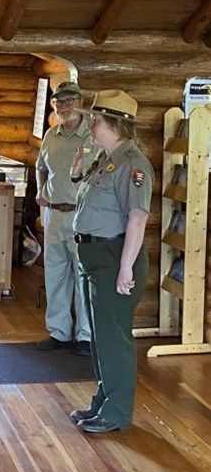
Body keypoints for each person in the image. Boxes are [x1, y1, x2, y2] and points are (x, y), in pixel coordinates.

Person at [69, 89, 153, 433]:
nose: (91, 125)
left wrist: (124, 268)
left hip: (113, 257)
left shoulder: (134, 164)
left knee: (113, 337)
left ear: (117, 124)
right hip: (95, 257)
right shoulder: (108, 159)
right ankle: (104, 401)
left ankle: (117, 412)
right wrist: (76, 174)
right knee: (101, 336)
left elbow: (137, 218)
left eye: (96, 120)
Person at [35, 81, 95, 357]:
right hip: (54, 215)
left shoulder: (93, 134)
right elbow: (40, 167)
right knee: (55, 275)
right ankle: (58, 332)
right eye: (59, 102)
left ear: (80, 101)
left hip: (82, 216)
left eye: (70, 100)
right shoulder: (51, 135)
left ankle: (85, 336)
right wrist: (39, 191)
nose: (64, 106)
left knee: (83, 275)